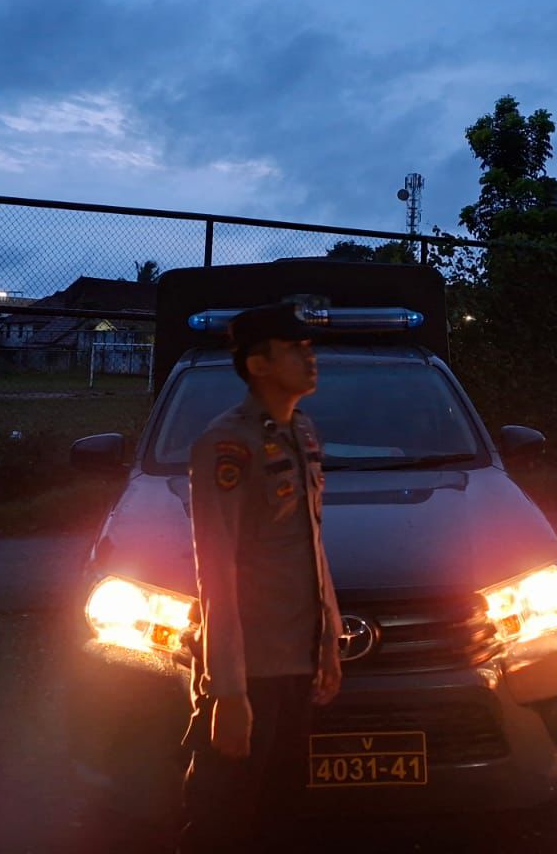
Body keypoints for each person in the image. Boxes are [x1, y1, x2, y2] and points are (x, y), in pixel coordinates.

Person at [178, 302, 343, 853]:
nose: (309, 356)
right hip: (251, 669)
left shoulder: (303, 431)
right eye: (294, 348)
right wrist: (228, 691)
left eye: (309, 346)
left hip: (297, 663)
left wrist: (330, 642)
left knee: (282, 814)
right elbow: (216, 571)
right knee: (224, 819)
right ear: (258, 364)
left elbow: (311, 544)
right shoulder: (226, 445)